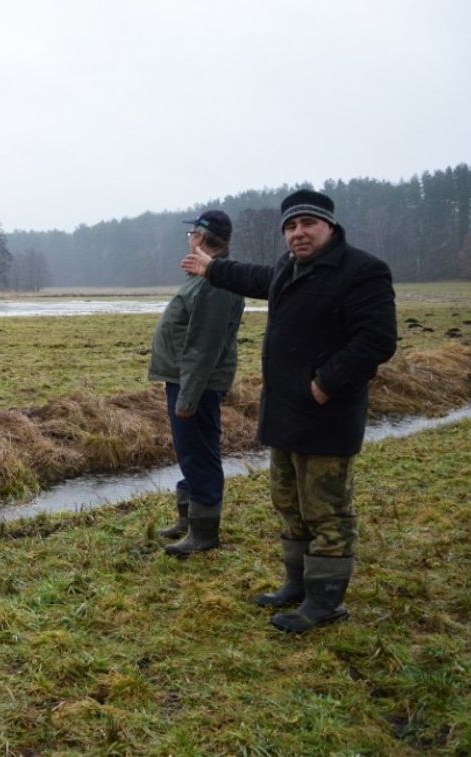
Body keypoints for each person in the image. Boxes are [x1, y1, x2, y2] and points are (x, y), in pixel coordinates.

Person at [181, 189, 397, 632]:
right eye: (291, 227)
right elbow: (254, 277)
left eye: (307, 225)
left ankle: (325, 601)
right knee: (288, 502)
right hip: (284, 412)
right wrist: (211, 267)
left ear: (329, 227)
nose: (298, 233)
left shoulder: (362, 271)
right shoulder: (288, 268)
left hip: (327, 414)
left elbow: (377, 340)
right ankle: (296, 585)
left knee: (326, 510)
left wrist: (325, 384)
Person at [148, 210, 245, 556]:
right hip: (186, 379)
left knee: (200, 452)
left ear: (201, 238)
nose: (189, 240)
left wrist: (188, 397)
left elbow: (204, 346)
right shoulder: (205, 277)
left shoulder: (214, 283)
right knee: (190, 451)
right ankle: (188, 519)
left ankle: (203, 533)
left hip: (197, 383)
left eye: (191, 235)